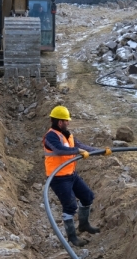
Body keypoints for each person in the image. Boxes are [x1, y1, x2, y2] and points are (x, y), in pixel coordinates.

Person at [43, 105, 111, 247]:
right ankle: (72, 237)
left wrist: (100, 151)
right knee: (70, 206)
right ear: (60, 122)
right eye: (66, 120)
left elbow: (82, 146)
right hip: (58, 178)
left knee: (87, 197)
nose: (68, 123)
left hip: (71, 175)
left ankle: (84, 225)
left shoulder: (67, 135)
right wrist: (77, 150)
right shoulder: (50, 136)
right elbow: (59, 150)